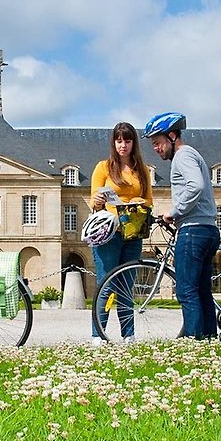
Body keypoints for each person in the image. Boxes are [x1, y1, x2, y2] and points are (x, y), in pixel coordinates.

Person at [143, 111, 219, 339]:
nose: (156, 149)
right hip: (207, 229)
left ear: (173, 135)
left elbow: (194, 186)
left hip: (193, 230)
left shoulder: (183, 156)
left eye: (158, 143)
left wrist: (174, 212)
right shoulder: (191, 155)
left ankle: (194, 343)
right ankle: (209, 340)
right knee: (202, 291)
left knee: (186, 290)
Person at [89, 122, 154, 343]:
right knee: (105, 284)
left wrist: (140, 201)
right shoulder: (104, 167)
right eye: (119, 140)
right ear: (113, 143)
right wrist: (97, 201)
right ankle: (98, 336)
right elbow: (93, 202)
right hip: (109, 233)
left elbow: (150, 202)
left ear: (133, 142)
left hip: (133, 234)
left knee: (126, 287)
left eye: (127, 140)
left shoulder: (142, 170)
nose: (123, 145)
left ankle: (129, 336)